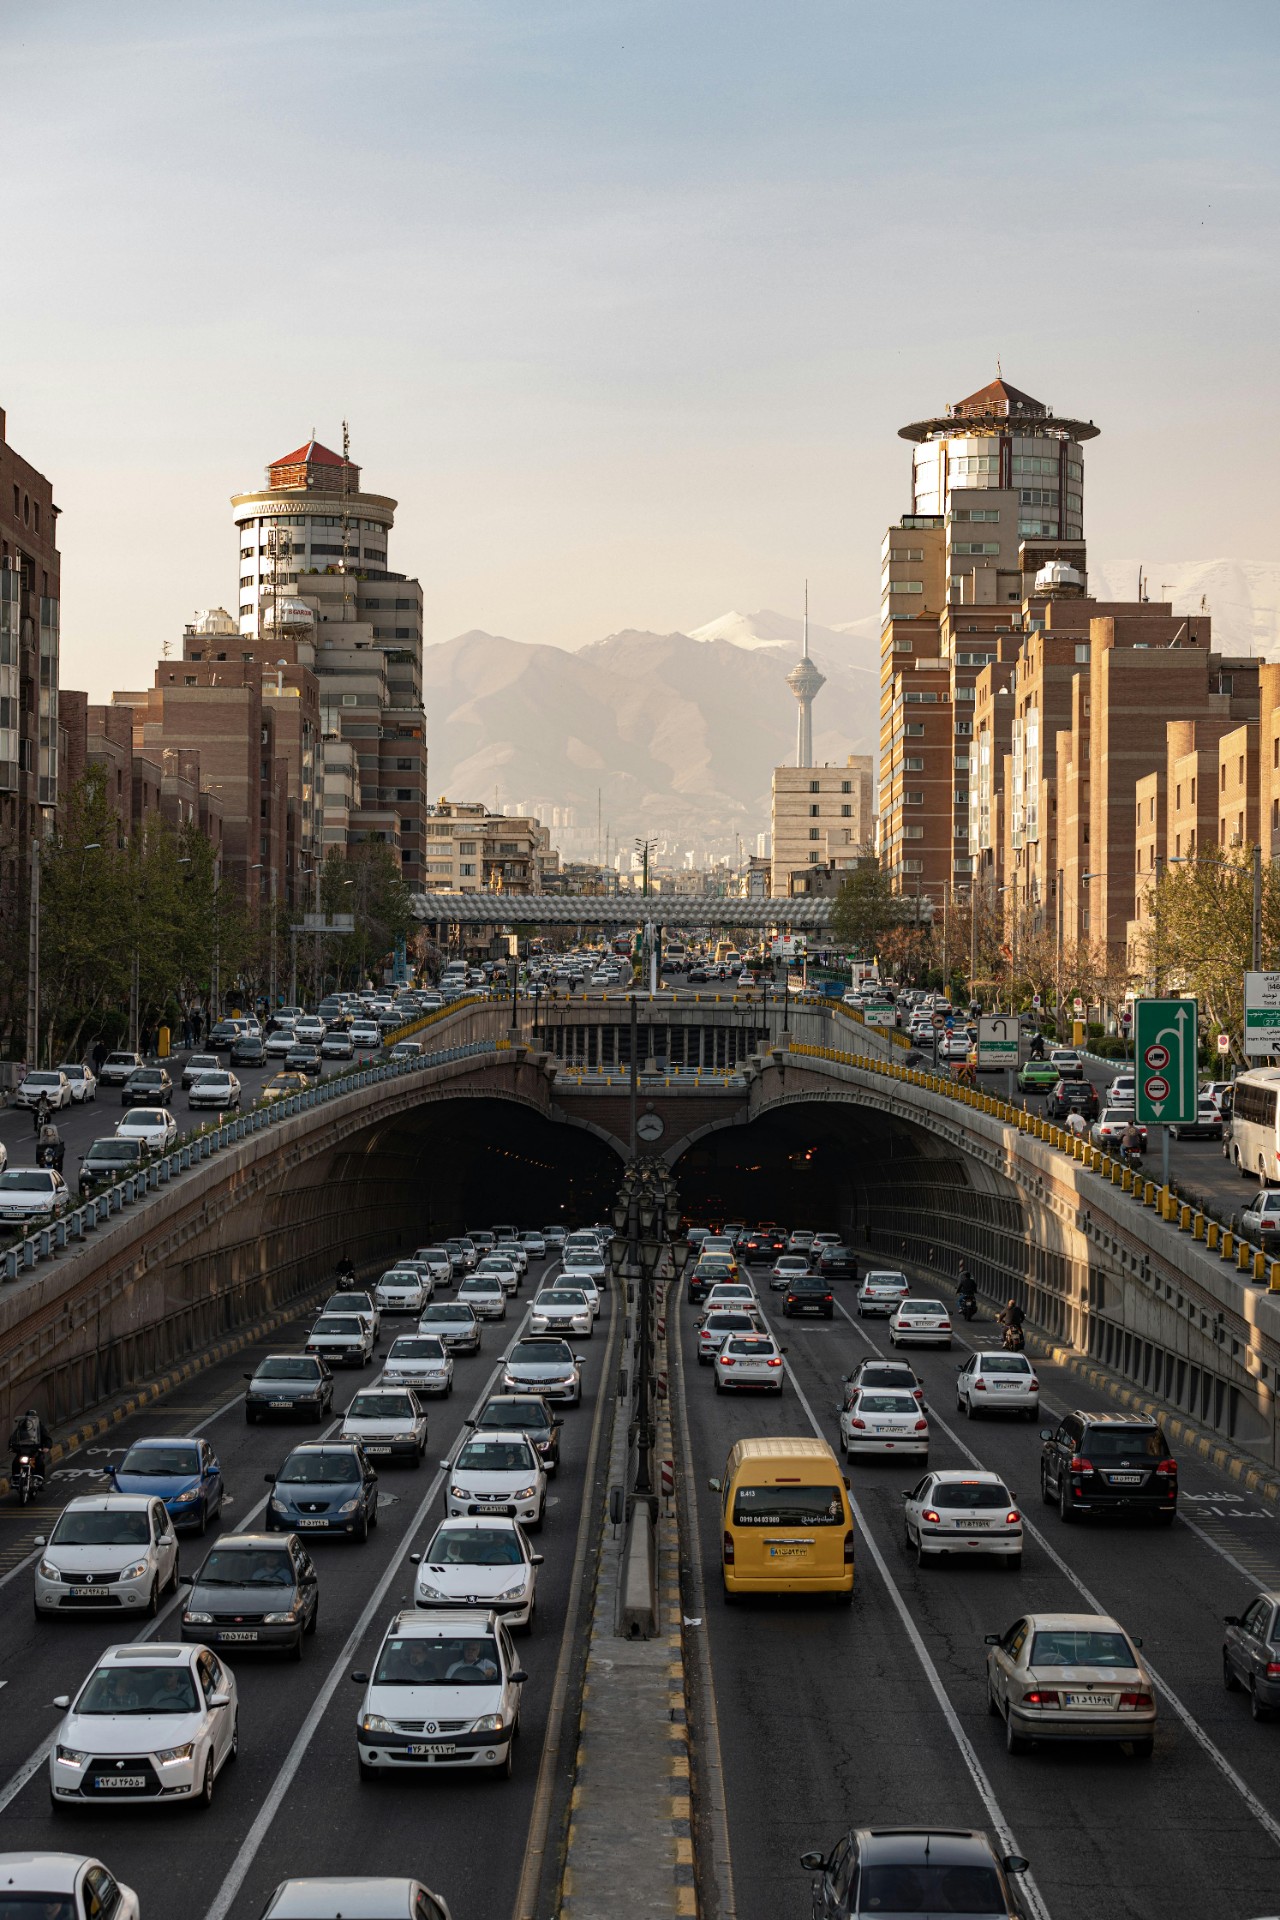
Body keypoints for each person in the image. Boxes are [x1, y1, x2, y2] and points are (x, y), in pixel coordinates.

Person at [9, 1407, 51, 1489]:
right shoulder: (21, 1427)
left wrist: (47, 1447)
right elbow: (14, 1437)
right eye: (29, 1418)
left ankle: (39, 1481)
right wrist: (11, 1446)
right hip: (23, 1451)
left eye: (33, 1418)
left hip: (35, 1450)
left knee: (40, 1463)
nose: (31, 1420)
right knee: (15, 1463)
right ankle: (15, 1480)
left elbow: (47, 1438)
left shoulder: (40, 1427)